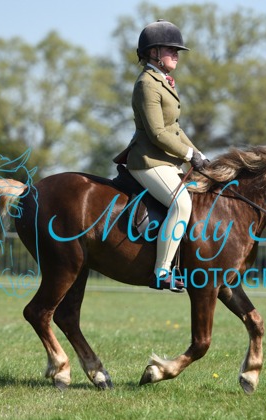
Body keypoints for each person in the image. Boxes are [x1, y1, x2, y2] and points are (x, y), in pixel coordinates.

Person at [114, 19, 210, 292]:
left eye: (177, 50)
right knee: (182, 205)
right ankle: (161, 271)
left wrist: (199, 155)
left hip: (166, 161)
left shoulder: (164, 81)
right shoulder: (147, 83)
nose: (176, 54)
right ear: (153, 52)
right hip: (148, 162)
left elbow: (174, 128)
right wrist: (189, 154)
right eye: (171, 49)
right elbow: (157, 133)